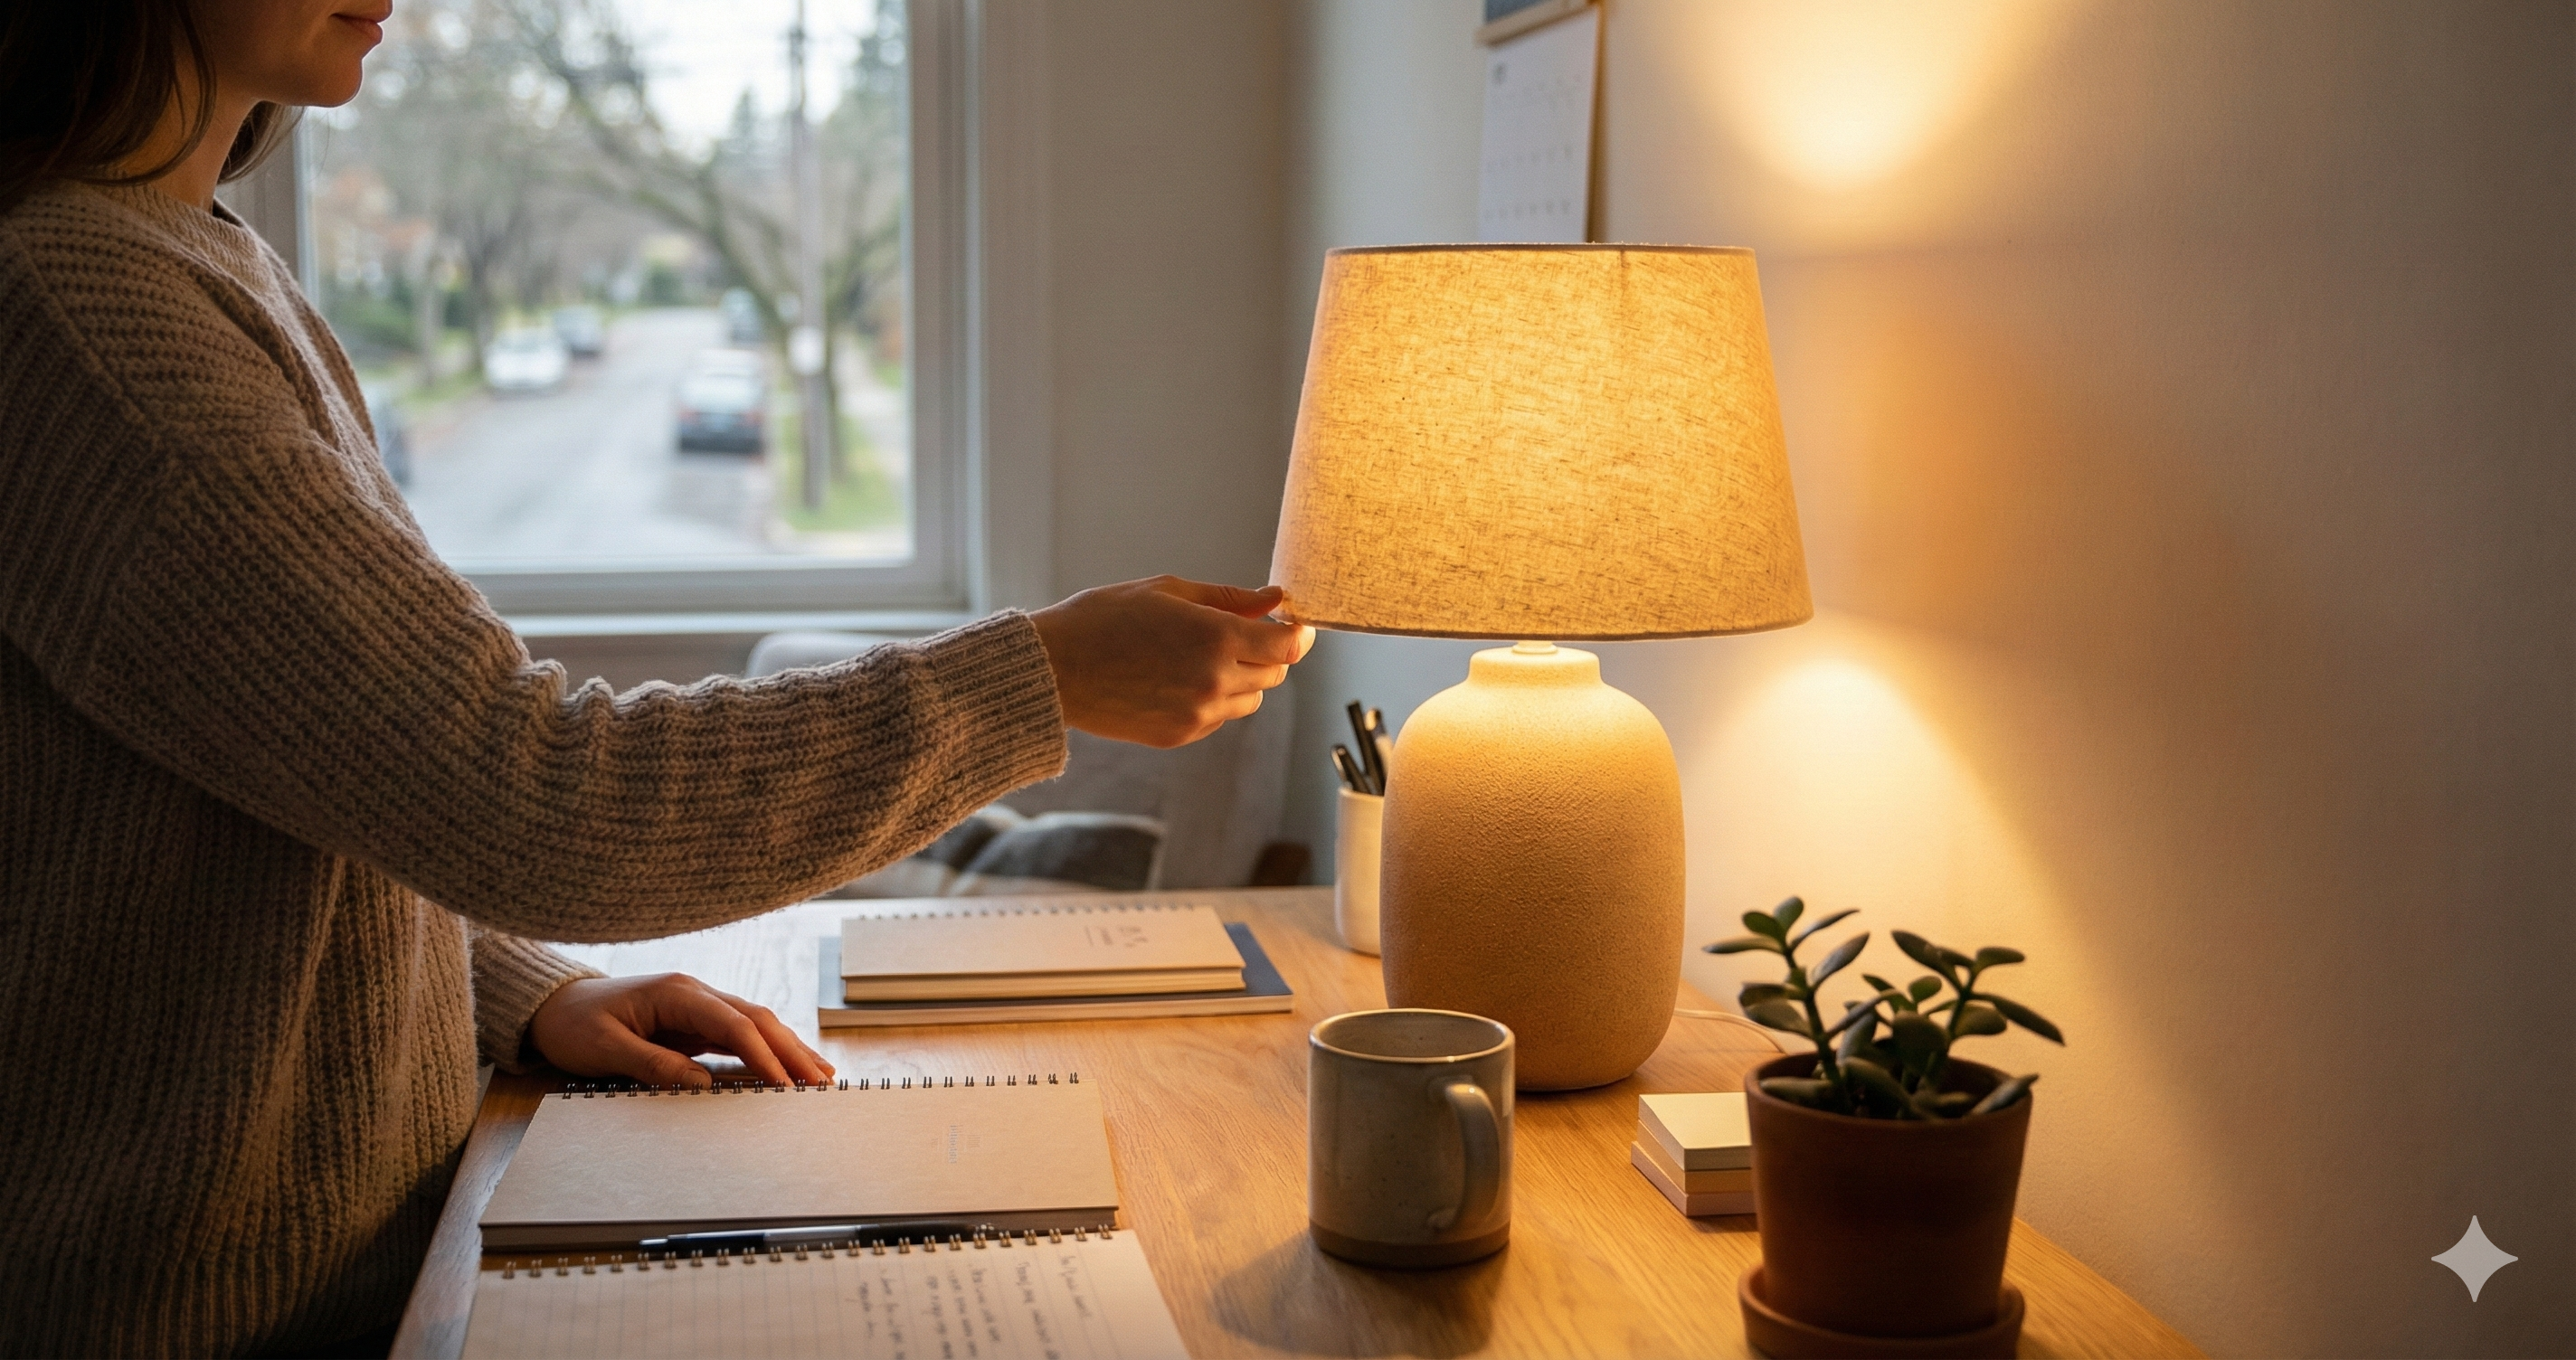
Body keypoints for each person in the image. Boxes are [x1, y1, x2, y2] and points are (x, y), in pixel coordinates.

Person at [0, 4, 1310, 1355]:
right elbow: (532, 793)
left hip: (382, 1261)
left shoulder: (195, 260)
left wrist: (520, 992)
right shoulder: (84, 319)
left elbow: (327, 779)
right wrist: (1033, 679)